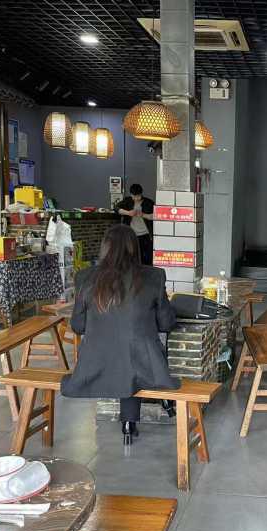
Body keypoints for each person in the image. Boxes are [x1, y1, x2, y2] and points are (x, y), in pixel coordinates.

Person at [61, 224, 179, 445]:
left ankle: (129, 422)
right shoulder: (154, 276)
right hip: (143, 366)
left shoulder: (85, 277)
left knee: (126, 356)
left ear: (105, 248)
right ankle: (133, 420)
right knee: (135, 355)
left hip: (96, 365)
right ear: (135, 248)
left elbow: (78, 326)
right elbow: (166, 324)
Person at [116, 184, 153, 265]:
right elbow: (116, 208)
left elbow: (155, 216)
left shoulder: (149, 202)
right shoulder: (127, 201)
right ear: (131, 194)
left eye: (138, 196)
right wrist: (128, 213)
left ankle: (146, 271)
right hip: (131, 234)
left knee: (146, 258)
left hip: (146, 234)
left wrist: (143, 215)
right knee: (132, 256)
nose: (136, 198)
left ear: (141, 194)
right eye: (134, 196)